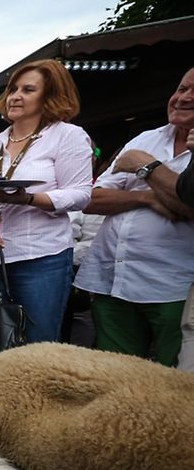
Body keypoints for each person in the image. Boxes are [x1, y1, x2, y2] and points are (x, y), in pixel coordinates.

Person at [0, 59, 94, 344]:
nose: (15, 96)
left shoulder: (68, 136)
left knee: (37, 346)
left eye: (28, 90)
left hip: (40, 259)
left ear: (50, 97)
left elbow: (81, 193)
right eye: (13, 89)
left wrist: (29, 198)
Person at [73, 67, 193, 367]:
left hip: (175, 287)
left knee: (175, 384)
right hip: (112, 280)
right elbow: (93, 198)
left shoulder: (142, 153)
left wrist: (146, 167)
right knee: (115, 379)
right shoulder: (145, 138)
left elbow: (188, 205)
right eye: (181, 88)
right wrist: (148, 196)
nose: (183, 98)